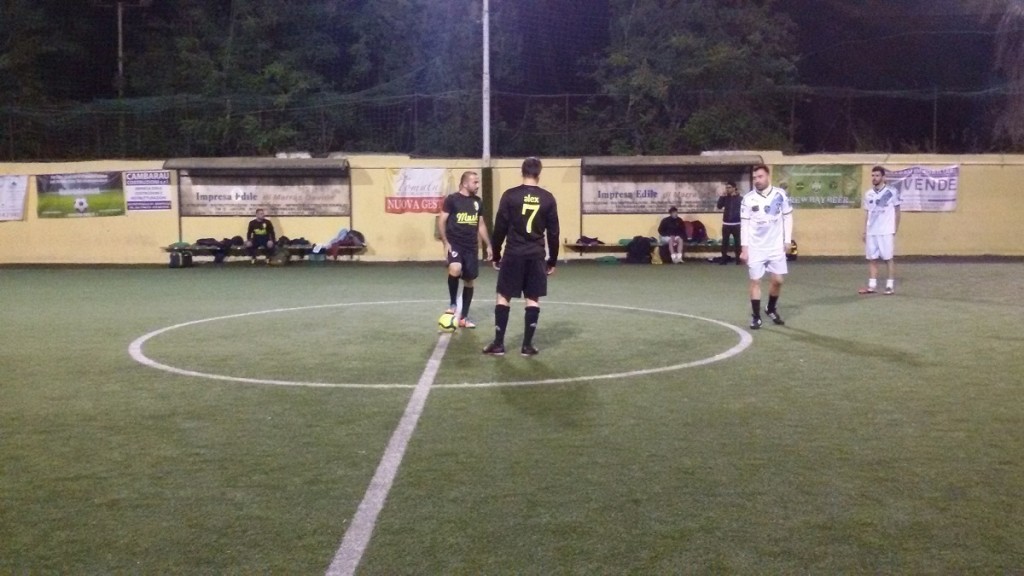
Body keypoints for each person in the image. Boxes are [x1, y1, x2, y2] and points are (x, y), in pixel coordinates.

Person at [483, 157, 560, 357]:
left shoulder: (510, 196)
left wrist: (496, 254)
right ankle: (527, 346)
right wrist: (552, 260)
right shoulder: (548, 198)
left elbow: (500, 227)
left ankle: (498, 344)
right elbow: (553, 233)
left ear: (522, 172)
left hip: (514, 253)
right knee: (532, 298)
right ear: (539, 173)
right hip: (536, 255)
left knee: (503, 296)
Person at [740, 165, 793, 329]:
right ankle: (756, 317)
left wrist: (787, 240)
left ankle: (770, 308)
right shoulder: (748, 199)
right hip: (756, 247)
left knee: (778, 280)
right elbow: (744, 225)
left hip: (775, 246)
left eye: (760, 176)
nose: (757, 180)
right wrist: (744, 249)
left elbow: (788, 217)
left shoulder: (780, 195)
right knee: (755, 281)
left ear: (768, 176)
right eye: (755, 178)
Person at [438, 171, 493, 328]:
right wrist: (445, 242)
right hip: (455, 244)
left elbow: (480, 224)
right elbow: (441, 221)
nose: (478, 185)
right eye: (475, 182)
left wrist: (488, 245)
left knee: (469, 280)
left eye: (478, 182)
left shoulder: (477, 202)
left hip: (471, 247)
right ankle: (453, 304)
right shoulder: (452, 200)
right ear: (464, 183)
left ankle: (464, 318)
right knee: (455, 268)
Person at [859, 166, 901, 295]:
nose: (874, 178)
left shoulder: (891, 192)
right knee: (872, 258)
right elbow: (868, 213)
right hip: (872, 231)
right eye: (873, 175)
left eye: (877, 175)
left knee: (888, 258)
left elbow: (897, 211)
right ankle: (872, 286)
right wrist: (865, 231)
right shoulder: (868, 194)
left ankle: (889, 286)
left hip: (886, 231)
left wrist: (894, 228)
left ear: (883, 177)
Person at [716, 181, 742, 265]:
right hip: (726, 224)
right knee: (725, 243)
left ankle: (738, 259)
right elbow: (719, 206)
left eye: (729, 187)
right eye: (726, 188)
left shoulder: (740, 199)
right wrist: (721, 196)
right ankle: (723, 259)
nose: (727, 189)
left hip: (737, 224)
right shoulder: (724, 198)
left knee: (737, 243)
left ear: (734, 188)